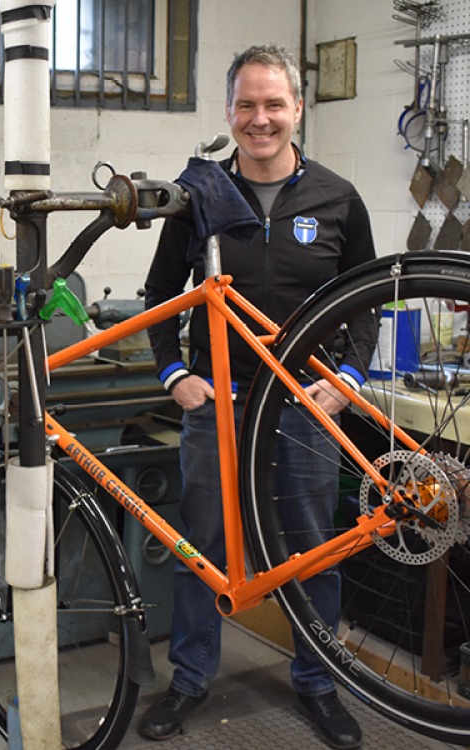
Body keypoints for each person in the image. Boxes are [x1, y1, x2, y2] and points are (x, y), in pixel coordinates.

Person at [138, 45, 375, 750]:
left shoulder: (338, 199)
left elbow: (365, 304)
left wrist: (350, 383)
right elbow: (158, 298)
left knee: (313, 549)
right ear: (229, 112)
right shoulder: (199, 198)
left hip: (306, 408)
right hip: (220, 406)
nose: (261, 119)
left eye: (274, 105)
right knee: (202, 546)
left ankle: (318, 682)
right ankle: (188, 680)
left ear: (298, 110)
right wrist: (172, 375)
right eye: (247, 105)